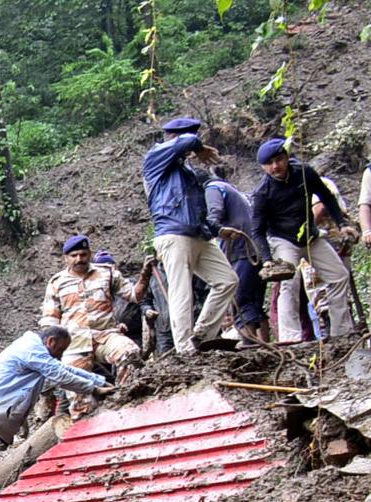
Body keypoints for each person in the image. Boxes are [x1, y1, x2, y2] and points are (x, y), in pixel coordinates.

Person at [0, 326, 113, 502]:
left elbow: (63, 369)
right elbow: (59, 374)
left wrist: (100, 381)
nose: (60, 356)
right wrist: (93, 389)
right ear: (51, 342)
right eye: (60, 350)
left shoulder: (33, 349)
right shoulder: (30, 349)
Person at [142, 116, 239, 354]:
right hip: (172, 233)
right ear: (173, 138)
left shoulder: (187, 172)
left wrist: (218, 230)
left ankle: (200, 336)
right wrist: (198, 145)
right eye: (188, 138)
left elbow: (199, 210)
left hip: (198, 235)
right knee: (181, 291)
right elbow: (187, 141)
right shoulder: (155, 158)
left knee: (227, 281)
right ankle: (184, 348)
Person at [254, 137, 358, 338]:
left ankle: (341, 332)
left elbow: (326, 196)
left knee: (339, 276)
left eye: (279, 160)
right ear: (263, 167)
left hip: (311, 236)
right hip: (283, 240)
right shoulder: (262, 192)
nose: (276, 166)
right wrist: (267, 260)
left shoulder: (305, 172)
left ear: (286, 157)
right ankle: (290, 337)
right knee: (288, 282)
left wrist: (342, 224)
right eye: (269, 164)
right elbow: (257, 229)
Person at [41, 236, 142, 377]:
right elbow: (50, 319)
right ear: (66, 258)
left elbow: (134, 296)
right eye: (73, 256)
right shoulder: (56, 283)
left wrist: (145, 275)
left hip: (105, 336)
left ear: (89, 254)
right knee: (78, 391)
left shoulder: (107, 273)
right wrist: (50, 350)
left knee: (129, 354)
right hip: (73, 343)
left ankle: (125, 395)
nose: (79, 259)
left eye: (83, 254)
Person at [206, 168, 268, 345]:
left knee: (241, 301)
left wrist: (214, 230)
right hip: (257, 251)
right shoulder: (236, 192)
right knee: (255, 302)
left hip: (241, 251)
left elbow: (214, 216)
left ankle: (250, 347)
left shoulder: (213, 188)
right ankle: (265, 346)